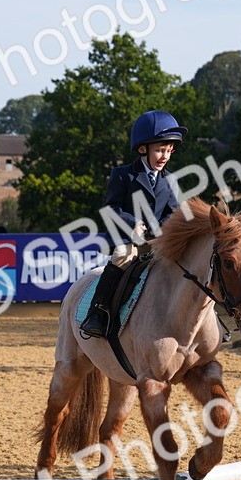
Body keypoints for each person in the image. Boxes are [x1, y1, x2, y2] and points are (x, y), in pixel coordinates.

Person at [78, 110, 183, 339]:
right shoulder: (123, 175)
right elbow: (111, 208)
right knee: (122, 256)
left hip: (156, 241)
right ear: (143, 148)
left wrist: (159, 230)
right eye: (159, 150)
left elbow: (173, 214)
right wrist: (132, 224)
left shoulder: (170, 180)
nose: (164, 156)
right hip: (128, 239)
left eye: (168, 151)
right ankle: (98, 312)